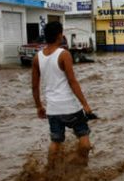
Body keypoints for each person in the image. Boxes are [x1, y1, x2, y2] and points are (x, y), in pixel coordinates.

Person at [32, 21, 94, 170]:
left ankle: (50, 170)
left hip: (53, 109)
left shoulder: (37, 58)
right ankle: (81, 167)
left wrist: (39, 106)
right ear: (60, 36)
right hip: (71, 107)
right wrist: (85, 104)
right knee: (84, 141)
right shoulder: (64, 54)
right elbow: (72, 81)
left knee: (56, 142)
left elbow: (34, 86)